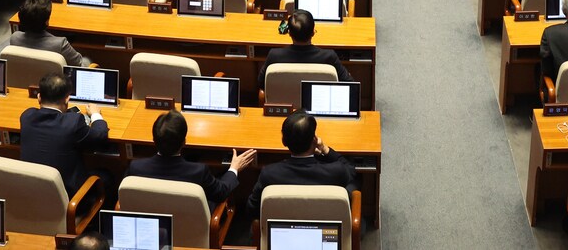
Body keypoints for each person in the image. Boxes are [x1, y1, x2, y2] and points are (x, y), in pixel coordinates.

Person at [125, 110, 256, 204]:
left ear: (154, 140)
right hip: (191, 226)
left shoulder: (135, 168)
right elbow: (221, 192)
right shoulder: (198, 172)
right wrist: (234, 168)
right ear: (184, 142)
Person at [244, 111, 358, 217]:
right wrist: (324, 149)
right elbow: (350, 170)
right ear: (314, 140)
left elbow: (252, 209)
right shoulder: (336, 171)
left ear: (284, 141)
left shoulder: (269, 173)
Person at [19, 73, 112, 201]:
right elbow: (100, 135)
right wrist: (95, 114)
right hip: (69, 201)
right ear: (67, 99)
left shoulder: (27, 117)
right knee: (106, 176)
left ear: (39, 97)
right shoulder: (73, 122)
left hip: (32, 196)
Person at [261, 9, 352, 83]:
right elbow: (349, 83)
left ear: (289, 33)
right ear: (313, 32)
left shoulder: (274, 55)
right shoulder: (329, 57)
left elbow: (261, 82)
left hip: (283, 104)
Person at [10, 0, 91, 67]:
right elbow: (79, 64)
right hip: (54, 82)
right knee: (87, 60)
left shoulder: (14, 38)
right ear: (46, 21)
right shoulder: (60, 44)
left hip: (24, 80)